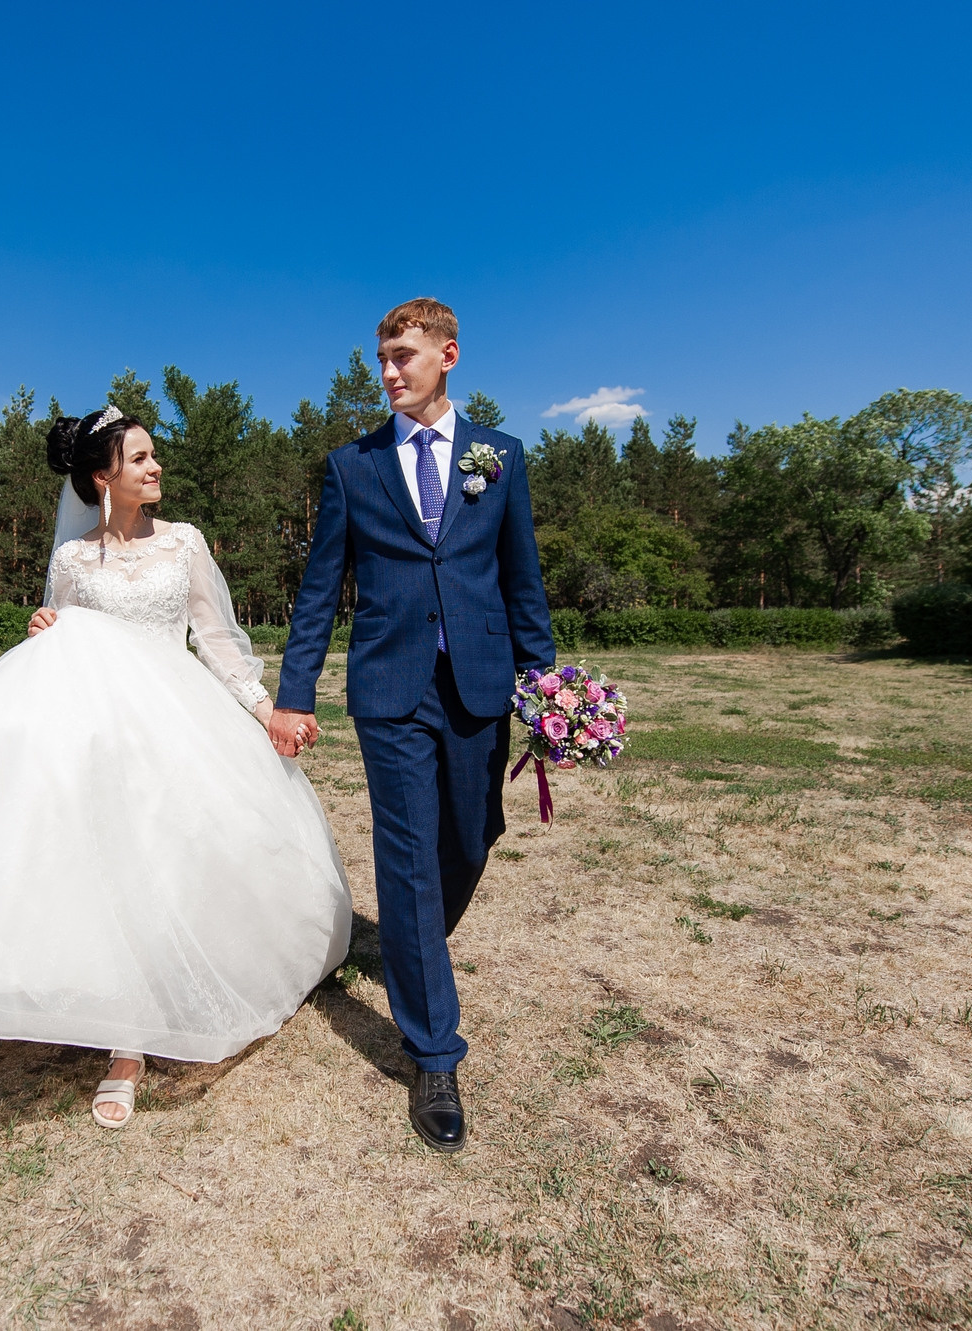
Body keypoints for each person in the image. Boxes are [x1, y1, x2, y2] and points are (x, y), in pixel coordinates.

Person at [0, 406, 351, 1128]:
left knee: (168, 863)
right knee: (93, 866)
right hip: (93, 733)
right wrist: (43, 626)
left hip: (176, 726)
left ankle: (134, 1040)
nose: (155, 467)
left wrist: (264, 709)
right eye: (138, 458)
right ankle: (104, 1011)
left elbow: (216, 639)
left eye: (153, 455)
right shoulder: (73, 560)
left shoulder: (185, 543)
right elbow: (58, 639)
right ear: (101, 477)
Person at [268, 298, 553, 1152]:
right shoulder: (352, 466)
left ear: (448, 355)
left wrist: (545, 691)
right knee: (407, 858)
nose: (390, 372)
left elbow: (522, 580)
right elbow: (319, 589)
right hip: (389, 690)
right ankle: (433, 1052)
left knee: (469, 839)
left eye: (404, 355)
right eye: (382, 359)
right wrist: (293, 692)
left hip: (478, 683)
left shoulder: (501, 458)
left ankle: (410, 941)